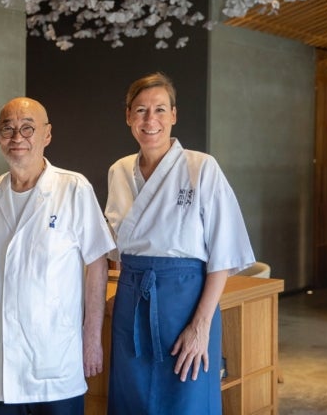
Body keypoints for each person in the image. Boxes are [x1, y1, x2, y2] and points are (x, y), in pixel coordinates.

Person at [104, 72, 256, 414]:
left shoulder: (201, 167)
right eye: (141, 110)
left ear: (174, 115)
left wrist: (200, 327)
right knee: (132, 402)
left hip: (186, 304)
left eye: (159, 109)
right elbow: (115, 247)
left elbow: (223, 254)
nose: (150, 120)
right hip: (133, 303)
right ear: (128, 115)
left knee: (187, 402)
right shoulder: (119, 171)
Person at [0, 97, 116, 415]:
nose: (18, 137)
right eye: (8, 128)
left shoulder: (74, 189)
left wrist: (92, 337)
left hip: (55, 357)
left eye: (28, 128)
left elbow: (97, 264)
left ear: (46, 135)